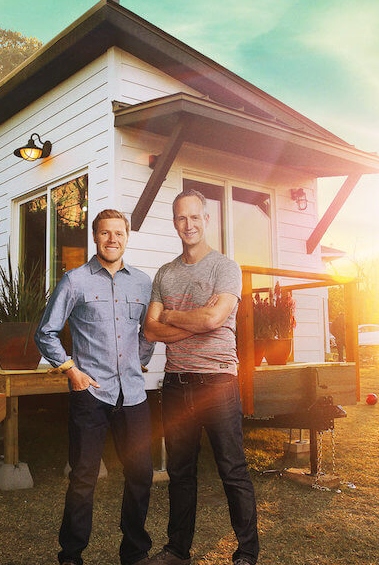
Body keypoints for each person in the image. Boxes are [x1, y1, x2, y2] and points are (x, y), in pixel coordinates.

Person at [142, 189, 259, 565]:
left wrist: (174, 317)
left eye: (195, 217)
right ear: (174, 222)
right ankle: (177, 550)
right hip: (176, 383)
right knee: (180, 473)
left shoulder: (225, 267)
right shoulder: (165, 273)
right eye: (181, 218)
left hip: (217, 383)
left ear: (206, 220)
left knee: (232, 469)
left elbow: (213, 319)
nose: (188, 225)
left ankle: (246, 551)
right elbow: (150, 330)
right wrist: (195, 318)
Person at [35, 208, 155, 565]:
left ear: (127, 237)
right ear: (95, 237)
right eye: (105, 233)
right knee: (84, 478)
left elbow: (148, 332)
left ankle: (134, 553)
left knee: (141, 474)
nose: (112, 239)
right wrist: (72, 371)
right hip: (91, 395)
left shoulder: (143, 284)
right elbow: (46, 332)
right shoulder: (75, 281)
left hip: (133, 395)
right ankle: (71, 556)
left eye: (118, 233)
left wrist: (141, 360)